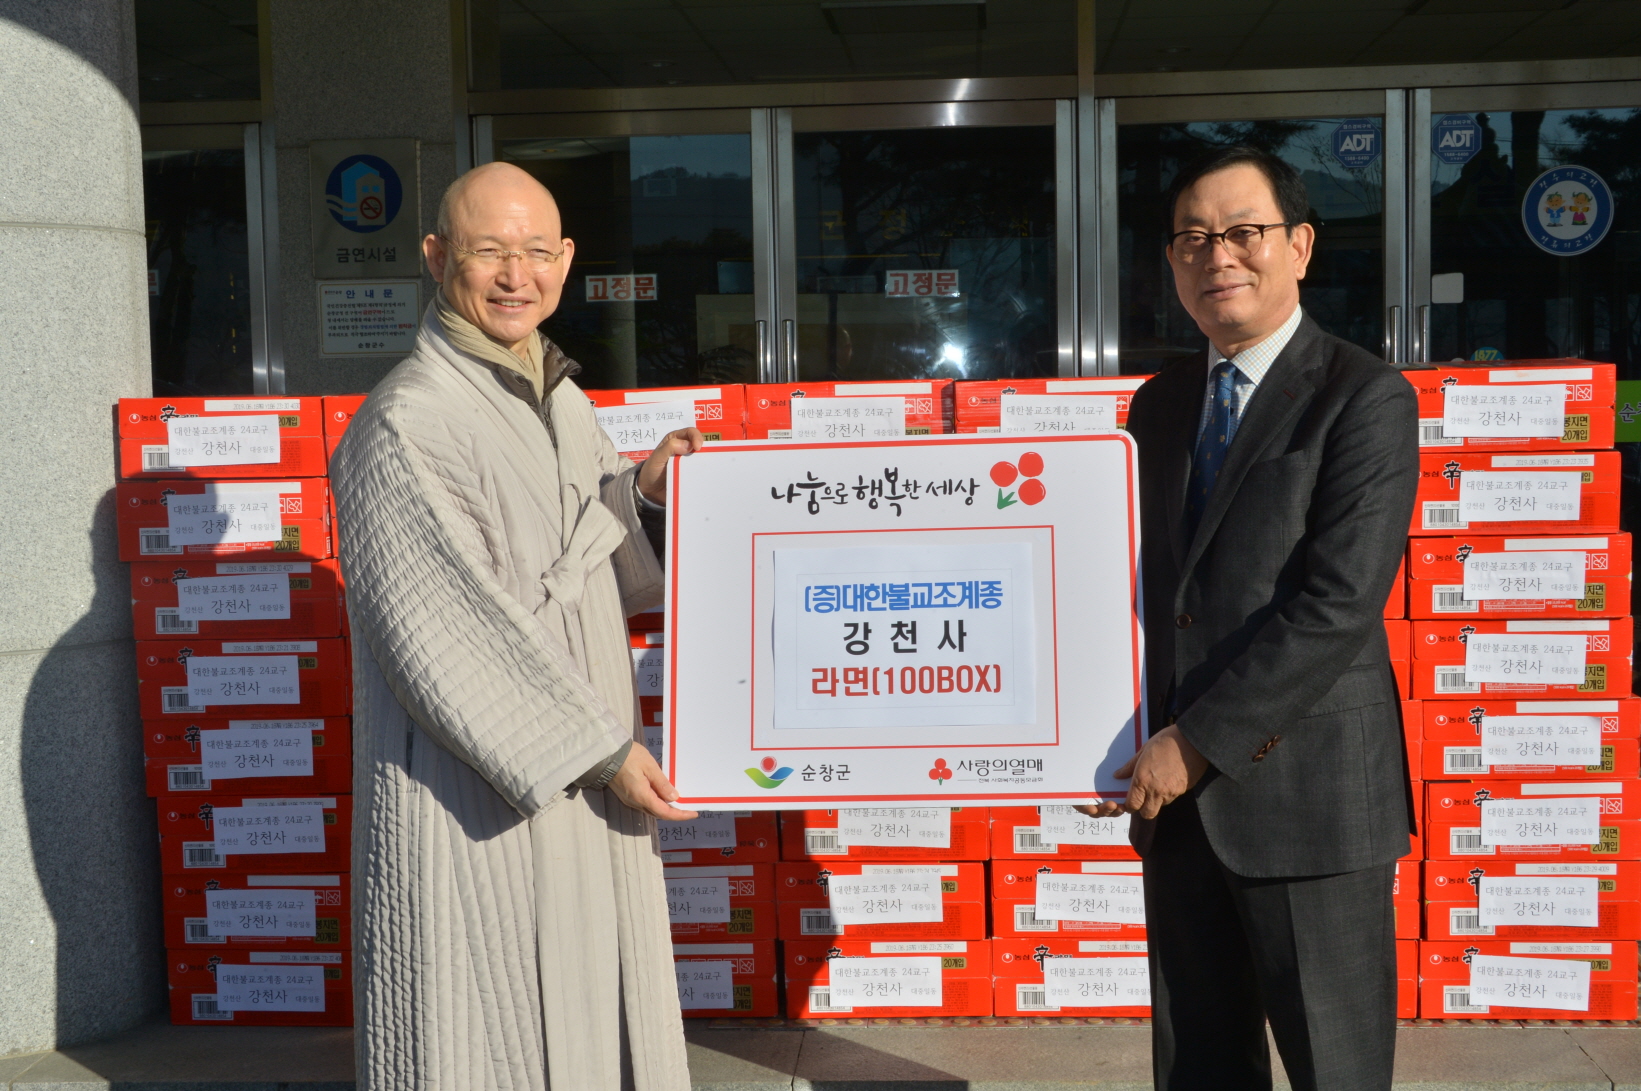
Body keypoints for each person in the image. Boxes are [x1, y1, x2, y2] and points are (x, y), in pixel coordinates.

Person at [331, 161, 700, 1091]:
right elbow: (441, 630)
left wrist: (642, 493)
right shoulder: (404, 421)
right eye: (488, 251)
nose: (515, 275)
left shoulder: (559, 394)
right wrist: (601, 750)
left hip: (591, 771)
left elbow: (582, 555)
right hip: (474, 796)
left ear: (566, 260)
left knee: (592, 1021)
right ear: (435, 256)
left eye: (536, 251)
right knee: (486, 1036)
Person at [1081, 146, 1418, 1090]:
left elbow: (1336, 604)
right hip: (1176, 810)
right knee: (1200, 1066)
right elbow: (1138, 588)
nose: (1216, 255)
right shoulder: (1157, 404)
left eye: (1242, 232)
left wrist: (1193, 742)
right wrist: (1089, 734)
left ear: (1298, 246)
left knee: (1334, 1071)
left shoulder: (1362, 395)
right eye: (1192, 238)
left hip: (1309, 798)